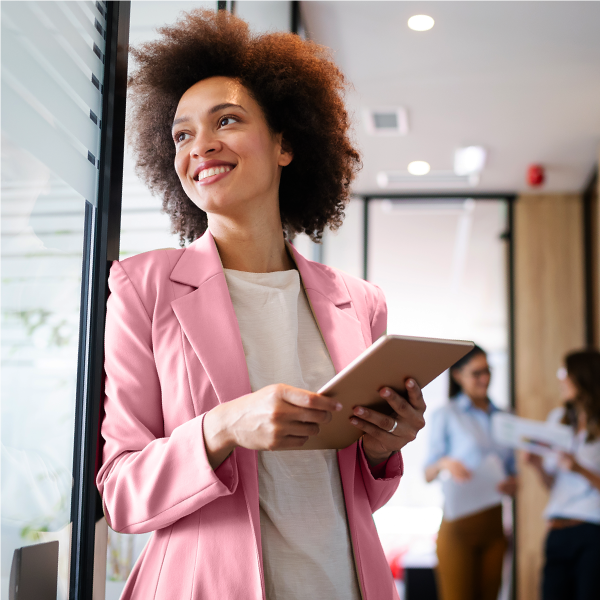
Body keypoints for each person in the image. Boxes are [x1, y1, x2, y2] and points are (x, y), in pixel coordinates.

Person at [96, 10, 426, 600]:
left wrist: (381, 448)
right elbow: (121, 492)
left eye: (227, 120)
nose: (202, 146)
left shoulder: (360, 302)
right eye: (182, 134)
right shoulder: (142, 287)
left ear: (284, 144)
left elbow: (358, 496)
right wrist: (224, 427)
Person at [424, 345, 516, 600]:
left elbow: (513, 473)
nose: (484, 379)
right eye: (477, 373)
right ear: (458, 376)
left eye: (487, 371)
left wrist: (513, 483)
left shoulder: (505, 417)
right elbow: (427, 473)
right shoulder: (446, 414)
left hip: (494, 525)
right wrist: (445, 463)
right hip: (458, 525)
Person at [524, 350, 600, 600]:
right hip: (557, 529)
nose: (560, 379)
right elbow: (552, 484)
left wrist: (579, 469)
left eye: (564, 373)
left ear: (583, 377)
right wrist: (536, 465)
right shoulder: (558, 419)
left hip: (592, 531)